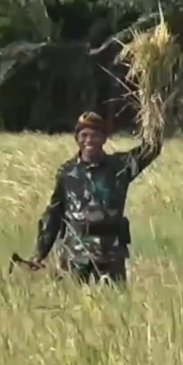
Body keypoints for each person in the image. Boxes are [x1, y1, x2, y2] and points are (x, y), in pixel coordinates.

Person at [31, 112, 163, 285]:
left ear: (104, 138)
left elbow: (151, 149)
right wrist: (40, 253)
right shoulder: (67, 173)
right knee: (73, 305)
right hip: (75, 255)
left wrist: (153, 112)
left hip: (111, 255)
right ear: (77, 138)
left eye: (95, 135)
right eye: (84, 135)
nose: (89, 140)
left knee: (115, 305)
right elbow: (54, 213)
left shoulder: (120, 167)